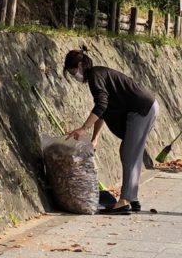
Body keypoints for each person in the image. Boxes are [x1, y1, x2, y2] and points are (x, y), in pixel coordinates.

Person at [62, 47, 158, 215]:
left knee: (129, 154)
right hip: (145, 107)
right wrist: (95, 138)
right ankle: (132, 199)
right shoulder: (99, 74)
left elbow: (101, 105)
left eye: (72, 72)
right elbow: (102, 111)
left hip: (141, 109)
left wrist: (84, 128)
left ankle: (124, 202)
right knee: (129, 153)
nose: (74, 76)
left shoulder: (94, 76)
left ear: (79, 65)